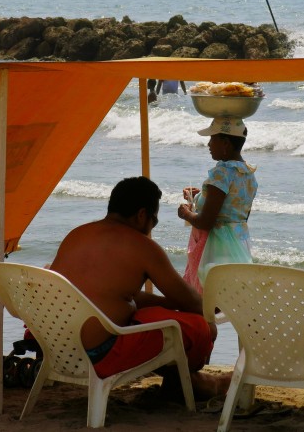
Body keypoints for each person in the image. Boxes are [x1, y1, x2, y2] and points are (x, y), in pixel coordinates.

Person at [49, 176, 223, 398]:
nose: (152, 226)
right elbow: (190, 301)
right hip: (101, 355)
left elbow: (111, 295)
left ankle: (186, 382)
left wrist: (169, 303)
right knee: (199, 326)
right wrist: (210, 309)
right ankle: (187, 381)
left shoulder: (77, 234)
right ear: (142, 215)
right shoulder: (143, 247)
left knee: (155, 311)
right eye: (154, 220)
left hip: (57, 346)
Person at [177, 117, 258, 293]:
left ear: (225, 143)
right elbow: (234, 210)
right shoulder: (248, 173)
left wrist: (185, 213)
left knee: (205, 298)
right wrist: (201, 196)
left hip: (214, 245)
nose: (208, 144)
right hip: (236, 242)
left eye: (212, 139)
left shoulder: (221, 172)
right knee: (226, 297)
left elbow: (206, 222)